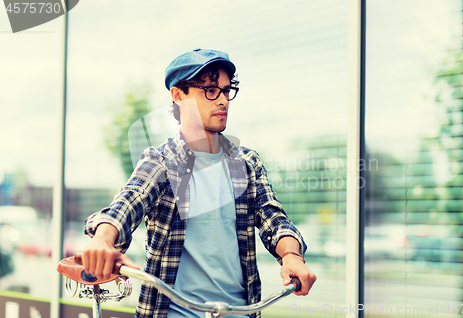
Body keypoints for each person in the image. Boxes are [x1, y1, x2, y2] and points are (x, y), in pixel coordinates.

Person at [82, 48, 316, 318]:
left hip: (240, 313)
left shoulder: (247, 163)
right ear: (178, 96)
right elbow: (130, 201)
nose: (223, 101)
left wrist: (292, 257)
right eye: (210, 90)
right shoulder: (162, 161)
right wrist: (102, 240)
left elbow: (273, 217)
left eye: (227, 91)